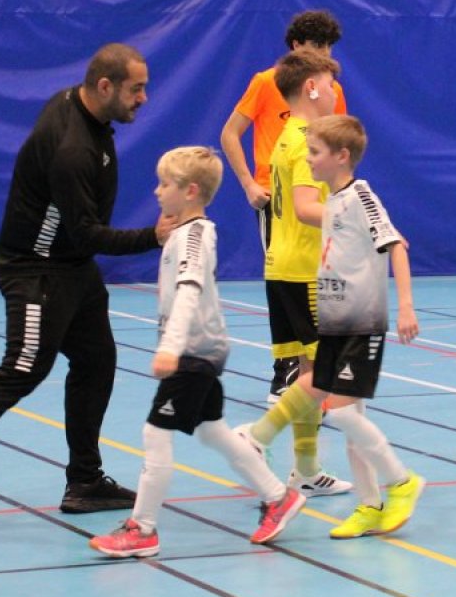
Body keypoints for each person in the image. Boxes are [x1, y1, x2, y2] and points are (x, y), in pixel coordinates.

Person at [0, 43, 170, 537]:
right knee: (23, 367)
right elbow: (87, 233)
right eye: (136, 89)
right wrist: (154, 236)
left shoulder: (73, 102)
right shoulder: (71, 150)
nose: (144, 98)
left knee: (96, 361)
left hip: (72, 267)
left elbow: (79, 240)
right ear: (104, 87)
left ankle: (84, 480)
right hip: (37, 272)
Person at [89, 148, 303, 558]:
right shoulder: (184, 232)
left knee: (155, 433)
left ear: (190, 191)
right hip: (203, 348)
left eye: (164, 184)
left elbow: (189, 291)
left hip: (194, 351)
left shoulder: (193, 237)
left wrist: (172, 348)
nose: (156, 191)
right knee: (212, 431)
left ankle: (142, 529)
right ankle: (279, 497)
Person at [266, 114, 424, 539]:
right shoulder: (332, 200)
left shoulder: (361, 196)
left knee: (337, 410)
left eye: (315, 152)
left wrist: (406, 307)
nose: (308, 159)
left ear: (342, 156)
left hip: (362, 324)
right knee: (352, 419)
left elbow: (396, 246)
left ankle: (402, 482)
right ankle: (369, 506)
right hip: (334, 324)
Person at [233, 49, 352, 497]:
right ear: (311, 88)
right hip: (305, 272)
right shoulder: (306, 141)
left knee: (308, 369)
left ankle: (305, 469)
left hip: (281, 265)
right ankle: (256, 435)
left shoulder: (285, 135)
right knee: (325, 372)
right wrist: (356, 218)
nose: (335, 93)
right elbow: (305, 208)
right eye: (330, 84)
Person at [219, 10, 347, 400]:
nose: (324, 53)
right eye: (317, 45)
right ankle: (287, 372)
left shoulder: (329, 91)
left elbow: (337, 146)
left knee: (309, 282)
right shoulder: (266, 83)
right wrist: (247, 183)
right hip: (277, 196)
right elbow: (230, 133)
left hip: (312, 192)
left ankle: (306, 381)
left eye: (328, 46)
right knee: (291, 280)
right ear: (296, 46)